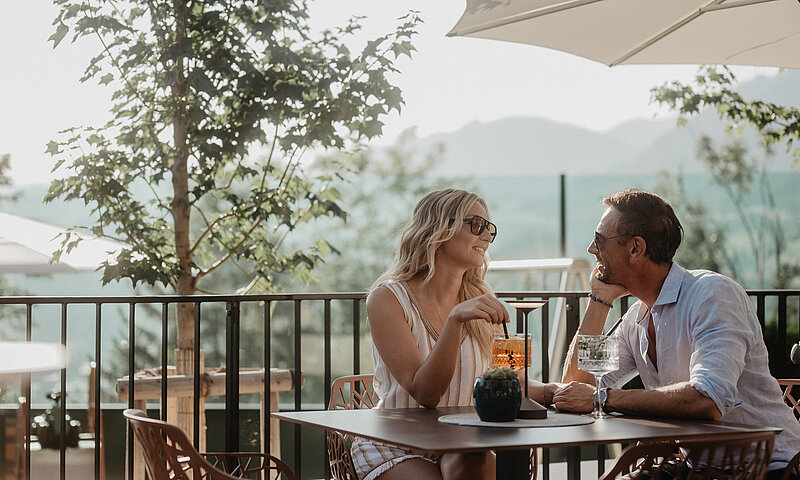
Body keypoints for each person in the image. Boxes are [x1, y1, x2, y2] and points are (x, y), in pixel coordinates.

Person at [554, 188, 800, 479]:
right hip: (698, 470)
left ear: (635, 248)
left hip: (771, 468)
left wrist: (602, 399)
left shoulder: (712, 295)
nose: (591, 250)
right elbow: (575, 389)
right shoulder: (636, 318)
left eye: (599, 240)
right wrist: (599, 302)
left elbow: (707, 400)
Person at [350, 188, 509, 480]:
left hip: (461, 441)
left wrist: (554, 391)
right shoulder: (388, 298)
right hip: (397, 442)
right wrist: (454, 320)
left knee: (479, 462)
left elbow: (508, 377)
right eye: (477, 225)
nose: (487, 236)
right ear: (440, 229)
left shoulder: (480, 301)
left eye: (489, 228)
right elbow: (425, 394)